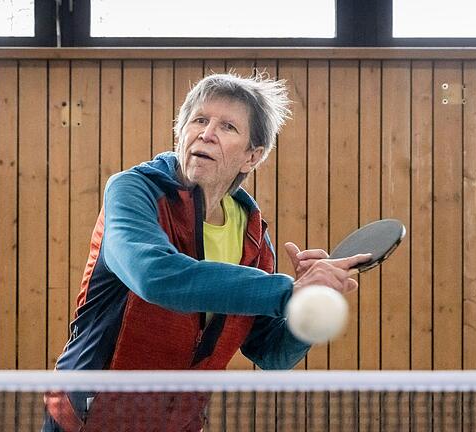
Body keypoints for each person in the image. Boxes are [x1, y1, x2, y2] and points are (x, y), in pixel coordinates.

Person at [43, 72, 370, 431]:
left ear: (252, 156)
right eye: (199, 120)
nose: (207, 133)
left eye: (228, 126)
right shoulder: (134, 192)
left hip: (178, 424)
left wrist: (307, 305)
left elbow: (270, 353)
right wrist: (284, 291)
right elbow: (155, 277)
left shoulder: (253, 235)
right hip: (91, 418)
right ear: (181, 132)